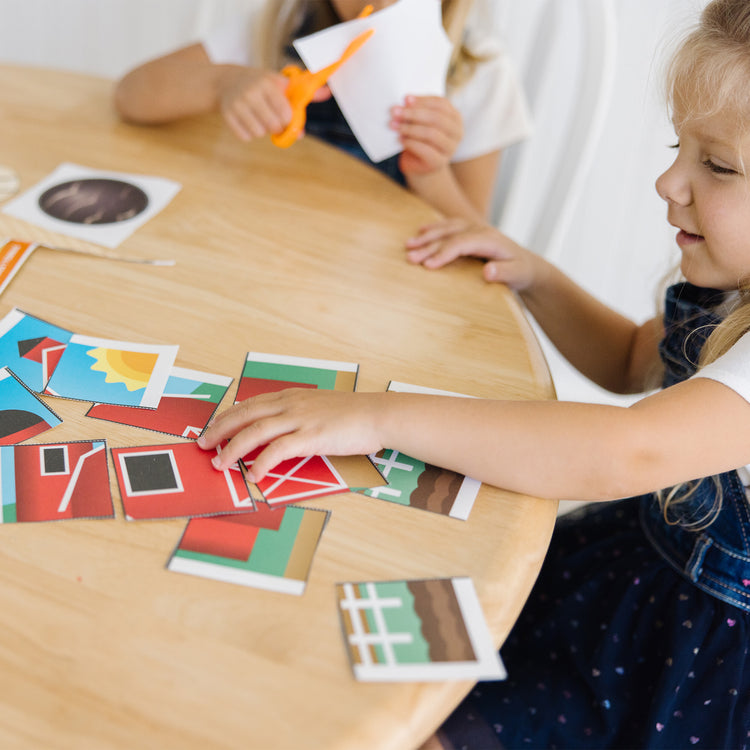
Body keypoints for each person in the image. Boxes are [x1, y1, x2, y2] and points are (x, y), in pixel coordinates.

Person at [199, 0, 750, 746]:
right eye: (676, 146)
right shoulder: (729, 286)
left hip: (693, 668)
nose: (667, 182)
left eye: (715, 165)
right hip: (626, 575)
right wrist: (536, 276)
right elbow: (630, 362)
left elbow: (627, 449)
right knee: (364, 654)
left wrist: (374, 415)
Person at [113, 0, 530, 222]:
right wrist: (220, 84)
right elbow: (131, 94)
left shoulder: (481, 73)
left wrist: (430, 173)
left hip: (383, 288)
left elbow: (478, 241)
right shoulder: (281, 28)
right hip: (266, 238)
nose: (381, 2)